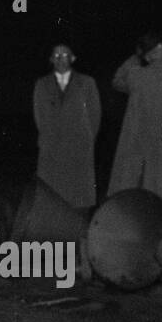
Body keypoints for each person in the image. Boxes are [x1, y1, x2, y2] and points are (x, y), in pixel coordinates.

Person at [108, 32, 162, 217]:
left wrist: (137, 55)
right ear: (160, 50)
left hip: (138, 143)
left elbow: (117, 80)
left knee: (137, 197)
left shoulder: (136, 76)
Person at [32, 42, 100, 210]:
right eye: (56, 56)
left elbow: (95, 115)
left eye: (64, 55)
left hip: (78, 147)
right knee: (51, 198)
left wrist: (86, 140)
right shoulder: (42, 84)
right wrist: (49, 138)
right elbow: (39, 115)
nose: (60, 59)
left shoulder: (87, 82)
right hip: (51, 147)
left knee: (77, 200)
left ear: (73, 58)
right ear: (50, 60)